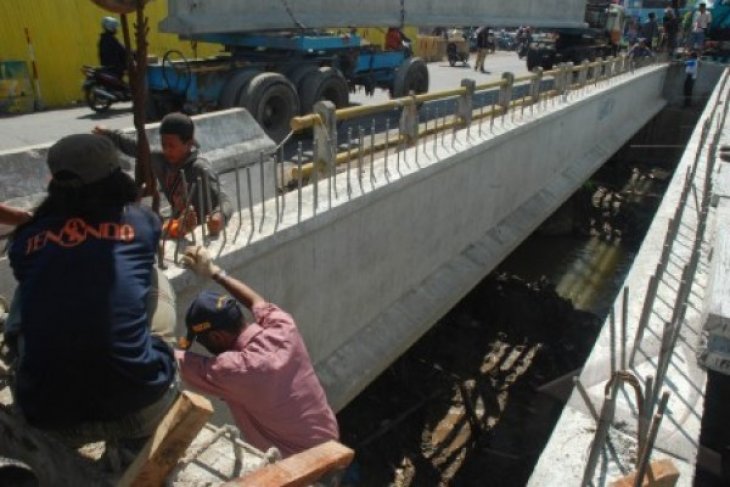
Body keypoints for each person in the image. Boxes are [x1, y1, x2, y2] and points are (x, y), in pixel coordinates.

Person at [6, 134, 178, 446]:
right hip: (139, 407)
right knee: (152, 277)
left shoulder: (24, 240)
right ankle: (132, 445)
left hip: (47, 414)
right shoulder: (142, 222)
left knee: (36, 283)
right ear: (114, 174)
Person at [176, 245, 339, 457]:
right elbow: (256, 301)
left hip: (303, 467)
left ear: (216, 337)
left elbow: (174, 359)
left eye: (202, 341)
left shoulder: (234, 369)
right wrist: (216, 272)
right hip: (332, 445)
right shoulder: (283, 328)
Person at [95, 112, 232, 238]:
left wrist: (219, 216)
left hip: (199, 229)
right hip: (177, 224)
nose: (166, 150)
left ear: (189, 144)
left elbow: (224, 200)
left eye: (172, 146)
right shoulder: (161, 160)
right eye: (163, 145)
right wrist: (109, 133)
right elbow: (137, 147)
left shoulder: (200, 168)